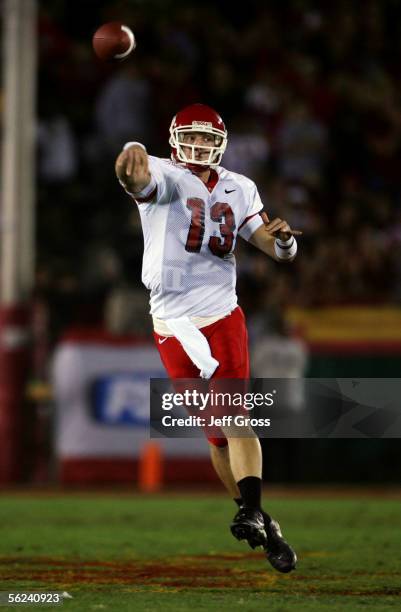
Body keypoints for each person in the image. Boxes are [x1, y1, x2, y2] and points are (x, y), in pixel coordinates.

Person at [115, 103, 298, 573]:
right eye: (190, 139)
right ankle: (263, 519)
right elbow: (138, 182)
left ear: (220, 143)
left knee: (235, 416)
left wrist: (283, 242)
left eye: (205, 140)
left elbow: (271, 246)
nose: (198, 148)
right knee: (216, 437)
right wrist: (129, 167)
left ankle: (252, 510)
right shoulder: (162, 173)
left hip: (220, 314)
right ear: (175, 140)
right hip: (171, 323)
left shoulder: (241, 186)